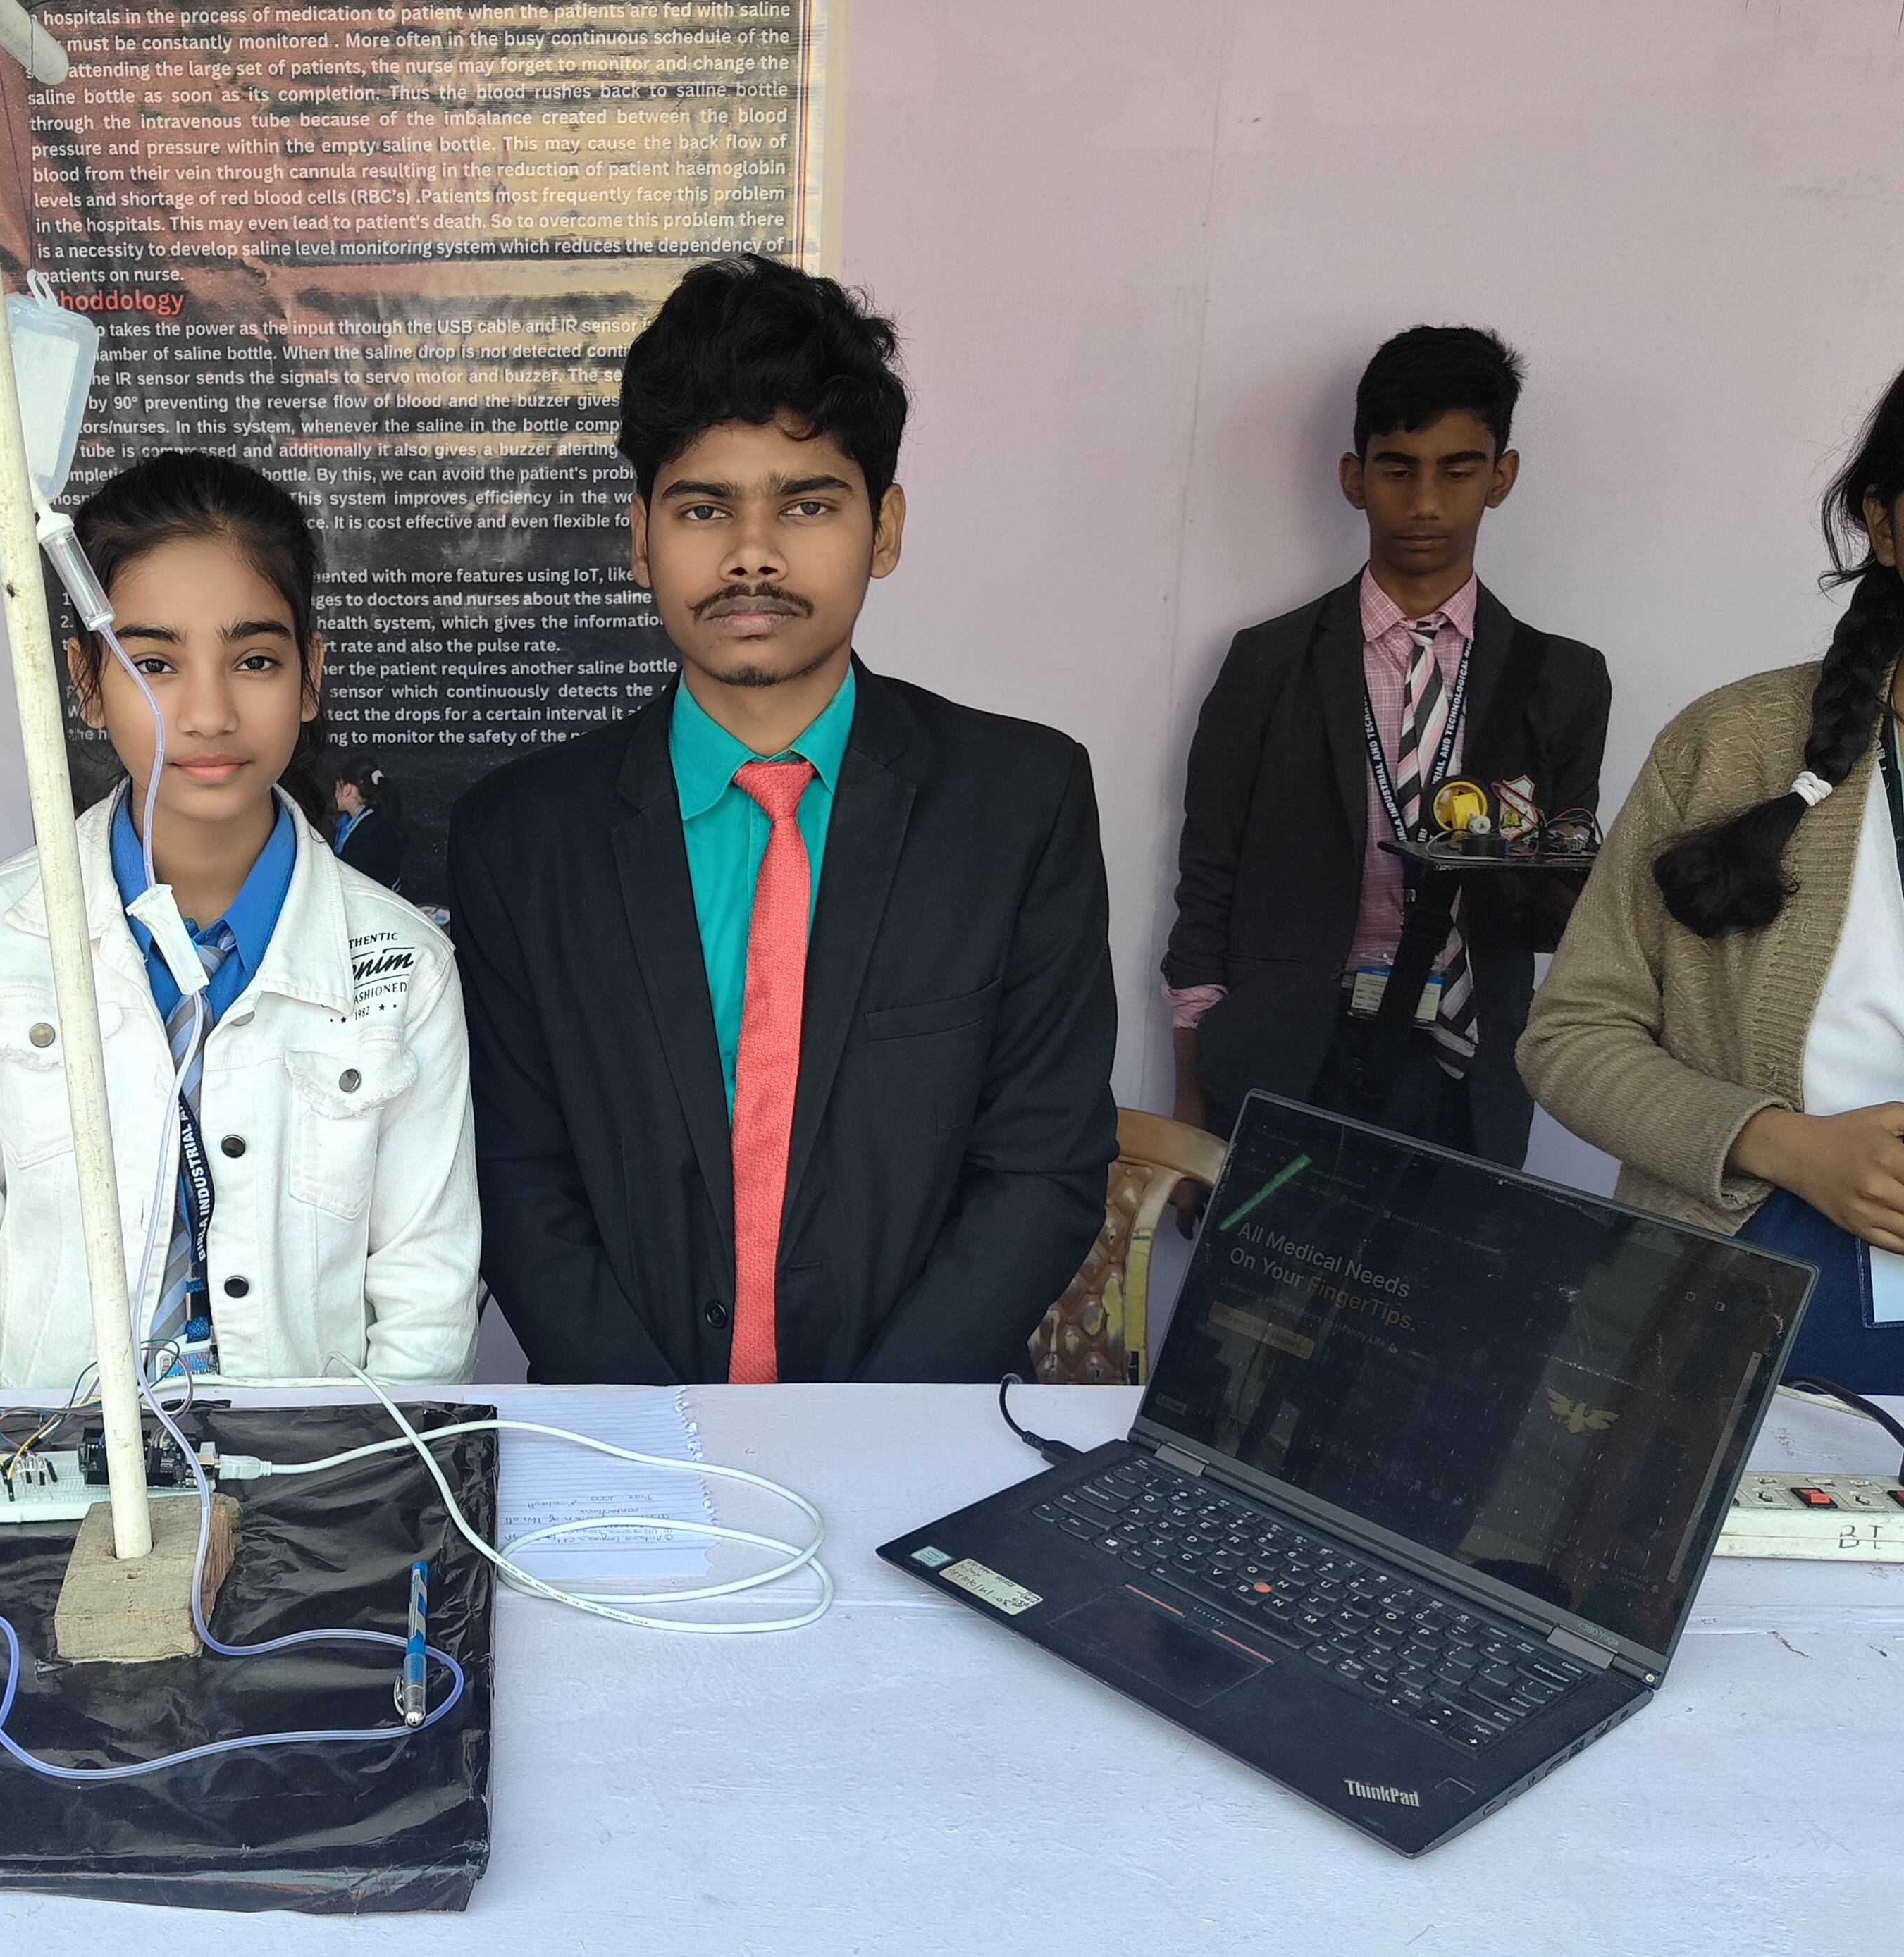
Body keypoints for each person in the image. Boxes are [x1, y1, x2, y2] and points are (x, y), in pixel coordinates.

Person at [444, 254, 1117, 1386]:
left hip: (918, 1436)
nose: (752, 553)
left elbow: (1041, 1166)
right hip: (631, 1441)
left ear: (884, 529)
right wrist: (665, 1440)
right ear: (641, 538)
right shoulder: (521, 839)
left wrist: (859, 1442)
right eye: (704, 508)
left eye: (807, 504)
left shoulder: (1019, 804)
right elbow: (516, 1175)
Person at [0, 452, 480, 1390]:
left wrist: (371, 1469)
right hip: (55, 1459)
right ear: (86, 682)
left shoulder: (404, 965)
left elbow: (426, 1294)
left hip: (317, 1461)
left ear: (310, 677)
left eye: (255, 660)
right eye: (152, 663)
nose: (207, 712)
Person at [1521, 364, 1904, 1394]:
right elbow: (1570, 1035)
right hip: (1737, 1304)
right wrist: (1781, 1145)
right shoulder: (1732, 745)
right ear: (1884, 522)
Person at [1164, 326, 1611, 1168]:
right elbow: (1206, 878)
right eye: (1398, 469)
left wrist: (1574, 889)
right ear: (1354, 477)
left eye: (1459, 470)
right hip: (1288, 1056)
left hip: (1470, 1071)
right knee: (1268, 1262)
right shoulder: (1267, 663)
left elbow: (1551, 910)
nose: (1426, 503)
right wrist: (1191, 1099)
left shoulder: (1563, 679)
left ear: (1502, 477)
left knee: (1442, 1261)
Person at [331, 756, 407, 888]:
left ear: (347, 789)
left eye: (338, 787)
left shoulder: (370, 833)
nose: (335, 793)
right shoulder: (366, 821)